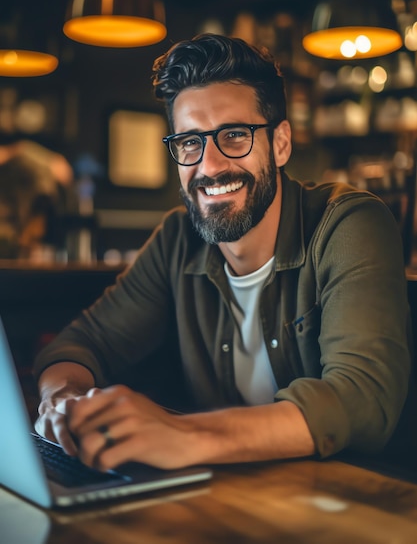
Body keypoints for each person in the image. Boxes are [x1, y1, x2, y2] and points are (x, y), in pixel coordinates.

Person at [33, 33, 416, 474]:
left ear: (280, 143)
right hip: (234, 502)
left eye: (234, 135)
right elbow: (82, 344)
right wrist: (62, 402)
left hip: (363, 507)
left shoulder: (349, 223)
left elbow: (362, 398)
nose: (210, 166)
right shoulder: (179, 239)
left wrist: (185, 437)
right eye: (190, 142)